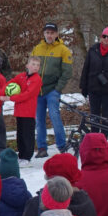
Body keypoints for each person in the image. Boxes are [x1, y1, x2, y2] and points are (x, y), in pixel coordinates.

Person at [32, 23, 73, 158]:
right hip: (38, 91)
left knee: (55, 116)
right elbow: (31, 68)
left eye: (52, 33)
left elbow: (67, 72)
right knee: (39, 120)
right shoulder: (37, 49)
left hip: (52, 90)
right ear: (44, 34)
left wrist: (58, 88)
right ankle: (42, 147)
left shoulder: (63, 50)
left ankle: (61, 145)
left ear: (56, 34)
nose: (49, 35)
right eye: (47, 32)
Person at [4, 57, 42, 160]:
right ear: (27, 65)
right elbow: (10, 84)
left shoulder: (36, 79)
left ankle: (27, 156)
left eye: (37, 65)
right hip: (19, 111)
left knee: (27, 135)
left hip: (28, 112)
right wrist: (2, 93)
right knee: (20, 134)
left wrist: (10, 98)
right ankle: (21, 155)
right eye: (33, 64)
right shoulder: (22, 76)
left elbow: (27, 95)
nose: (35, 67)